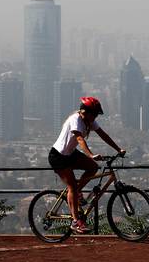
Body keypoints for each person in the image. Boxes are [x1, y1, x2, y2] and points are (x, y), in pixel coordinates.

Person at [48, 96, 125, 234]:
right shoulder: (75, 120)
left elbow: (103, 135)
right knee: (71, 185)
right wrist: (90, 154)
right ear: (85, 112)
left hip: (70, 154)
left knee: (93, 167)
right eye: (94, 113)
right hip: (58, 156)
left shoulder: (89, 121)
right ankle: (75, 222)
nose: (95, 116)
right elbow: (79, 138)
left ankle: (76, 193)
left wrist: (118, 149)